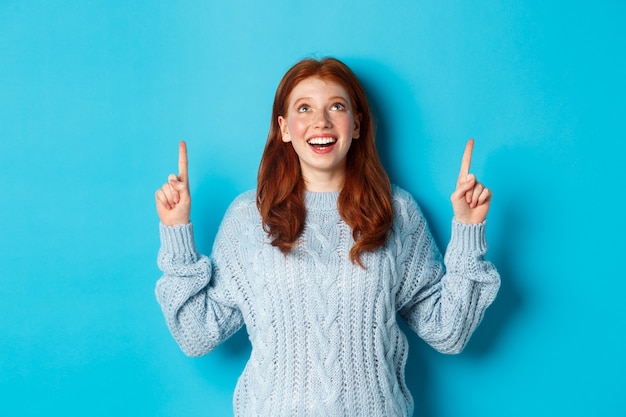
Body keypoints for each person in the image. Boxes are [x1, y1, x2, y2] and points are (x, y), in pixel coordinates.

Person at [154, 57, 500, 416]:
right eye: (305, 108)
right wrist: (177, 231)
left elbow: (448, 331)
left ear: (357, 125)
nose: (321, 121)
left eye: (336, 106)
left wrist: (467, 230)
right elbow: (197, 334)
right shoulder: (248, 217)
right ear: (285, 127)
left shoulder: (395, 211)